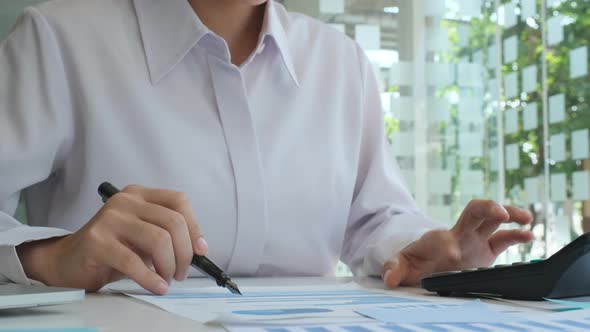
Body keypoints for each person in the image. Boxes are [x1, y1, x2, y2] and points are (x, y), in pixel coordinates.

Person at [0, 0, 533, 295]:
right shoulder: (57, 39)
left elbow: (374, 216)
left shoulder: (340, 61)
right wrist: (49, 255)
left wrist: (423, 247)